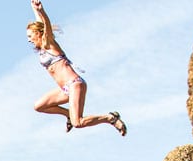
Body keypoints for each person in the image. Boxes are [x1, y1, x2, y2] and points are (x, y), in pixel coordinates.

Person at [27, 0, 127, 136]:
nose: (29, 39)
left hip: (74, 84)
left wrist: (41, 11)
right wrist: (34, 9)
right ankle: (68, 114)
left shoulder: (49, 43)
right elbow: (40, 24)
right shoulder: (41, 49)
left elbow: (45, 25)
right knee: (38, 106)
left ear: (38, 33)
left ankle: (110, 118)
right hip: (65, 90)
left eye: (30, 35)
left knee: (78, 123)